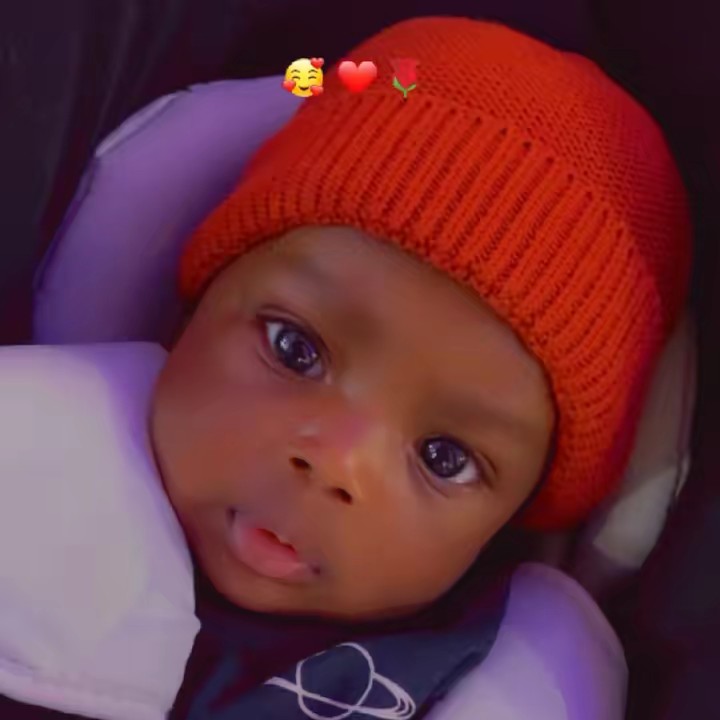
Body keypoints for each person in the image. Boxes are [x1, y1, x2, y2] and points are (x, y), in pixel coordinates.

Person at [0, 15, 692, 720]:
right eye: (294, 349)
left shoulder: (492, 684)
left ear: (509, 522)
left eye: (444, 458)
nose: (336, 460)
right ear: (193, 309)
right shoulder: (26, 462)